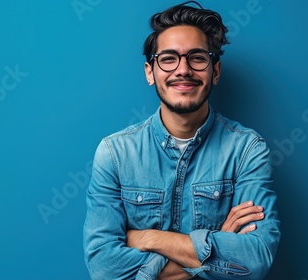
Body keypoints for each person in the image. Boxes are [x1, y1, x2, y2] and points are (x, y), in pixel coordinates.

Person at [82, 1, 281, 279]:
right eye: (168, 58)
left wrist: (148, 238)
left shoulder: (247, 150)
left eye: (197, 57)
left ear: (216, 71)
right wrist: (217, 244)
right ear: (150, 72)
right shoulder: (114, 153)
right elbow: (103, 268)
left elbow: (254, 261)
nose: (183, 70)